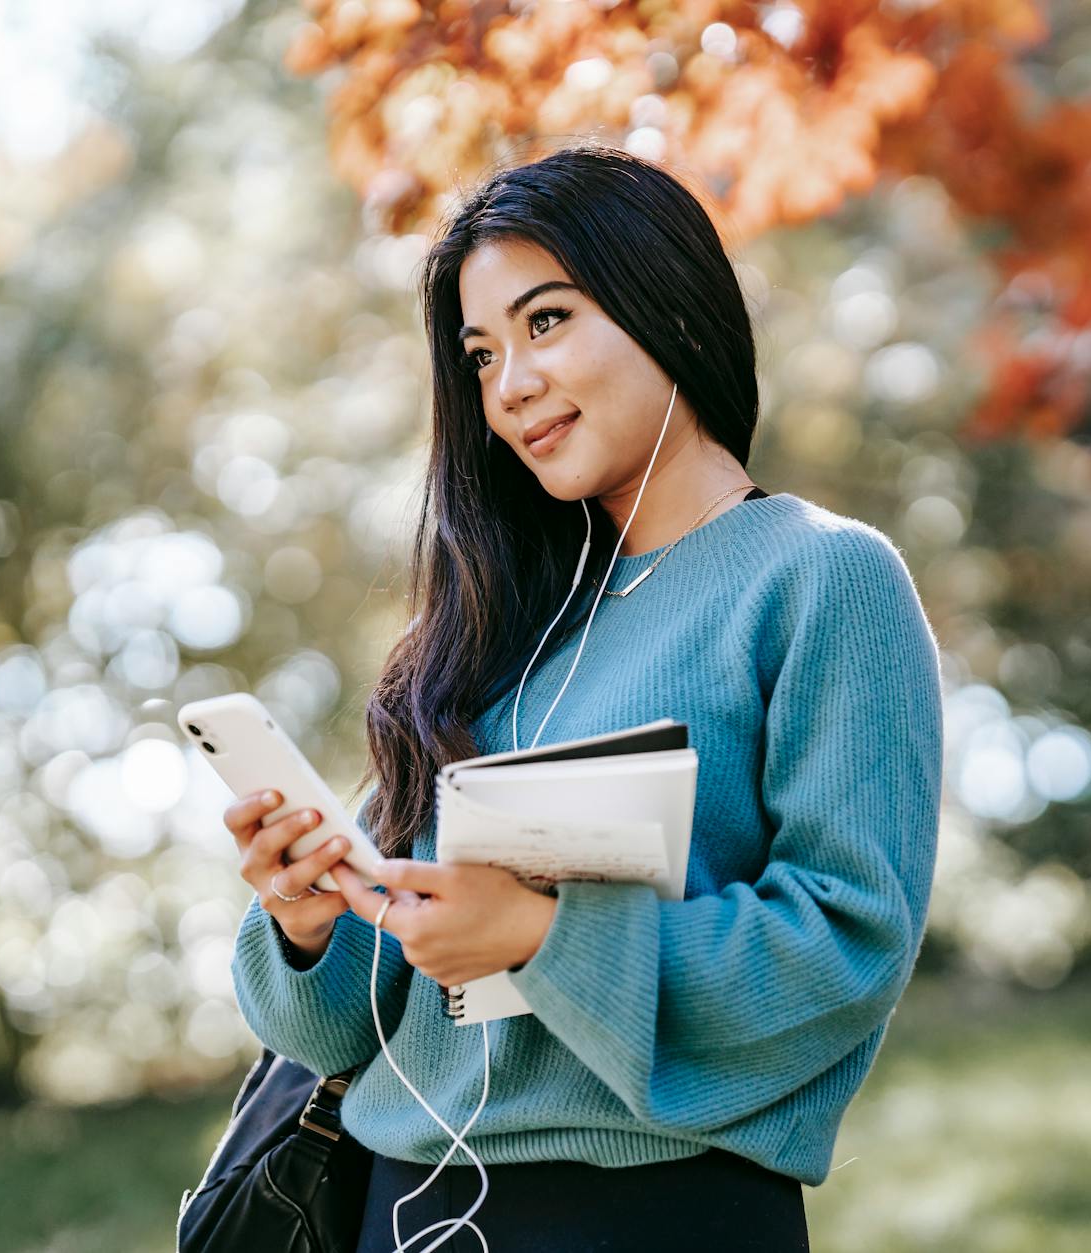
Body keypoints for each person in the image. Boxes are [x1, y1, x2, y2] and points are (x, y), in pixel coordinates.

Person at [222, 143, 943, 1252]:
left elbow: (845, 945)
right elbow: (334, 1028)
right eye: (479, 353)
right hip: (397, 1208)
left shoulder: (817, 577)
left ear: (665, 299)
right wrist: (311, 920)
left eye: (545, 321)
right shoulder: (490, 626)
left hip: (648, 1213)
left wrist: (543, 934)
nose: (508, 386)